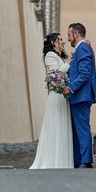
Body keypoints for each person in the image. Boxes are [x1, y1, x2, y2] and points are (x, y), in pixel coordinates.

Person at [30, 32, 74, 169]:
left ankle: (62, 160)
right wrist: (69, 65)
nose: (63, 42)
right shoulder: (50, 56)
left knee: (62, 126)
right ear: (53, 43)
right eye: (60, 39)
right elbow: (56, 74)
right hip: (56, 97)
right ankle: (52, 159)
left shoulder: (59, 57)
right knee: (55, 126)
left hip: (63, 96)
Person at [64, 23, 96, 168]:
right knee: (77, 130)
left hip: (81, 96)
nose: (68, 39)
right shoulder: (81, 49)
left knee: (82, 129)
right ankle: (78, 160)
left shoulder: (83, 48)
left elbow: (84, 74)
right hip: (78, 97)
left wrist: (70, 88)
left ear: (76, 34)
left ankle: (86, 160)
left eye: (69, 35)